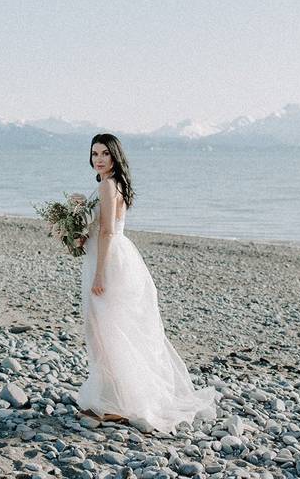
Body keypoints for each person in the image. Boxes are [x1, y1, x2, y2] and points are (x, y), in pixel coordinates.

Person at [72, 133, 220, 434]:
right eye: (94, 153)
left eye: (104, 154)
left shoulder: (107, 184)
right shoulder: (114, 184)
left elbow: (108, 232)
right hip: (116, 257)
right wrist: (78, 230)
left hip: (109, 260)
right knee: (112, 328)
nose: (98, 159)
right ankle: (112, 398)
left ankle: (112, 403)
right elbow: (101, 228)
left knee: (102, 330)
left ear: (115, 157)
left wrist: (99, 273)